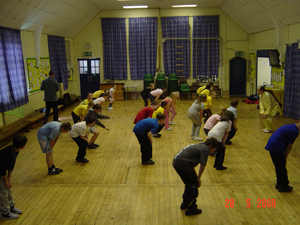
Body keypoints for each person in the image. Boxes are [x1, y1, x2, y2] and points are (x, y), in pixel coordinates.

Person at [172, 138, 218, 216]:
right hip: (183, 164)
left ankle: (185, 204)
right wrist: (198, 178)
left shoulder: (201, 145)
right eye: (213, 150)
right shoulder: (205, 149)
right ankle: (191, 208)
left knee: (190, 184)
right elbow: (203, 165)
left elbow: (191, 163)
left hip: (178, 162)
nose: (212, 152)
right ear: (210, 146)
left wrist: (196, 177)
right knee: (193, 187)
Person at [265, 121, 300, 192]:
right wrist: (285, 158)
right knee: (281, 168)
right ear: (298, 122)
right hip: (276, 146)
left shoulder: (291, 126)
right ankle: (284, 186)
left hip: (272, 145)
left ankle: (279, 183)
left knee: (278, 166)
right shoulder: (295, 131)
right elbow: (289, 146)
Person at [0, 134, 27, 220]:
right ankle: (5, 213)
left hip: (2, 171)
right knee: (3, 192)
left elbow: (11, 165)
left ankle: (11, 206)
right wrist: (6, 181)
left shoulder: (15, 150)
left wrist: (9, 179)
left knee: (8, 188)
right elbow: (2, 169)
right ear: (23, 146)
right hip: (0, 171)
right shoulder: (7, 153)